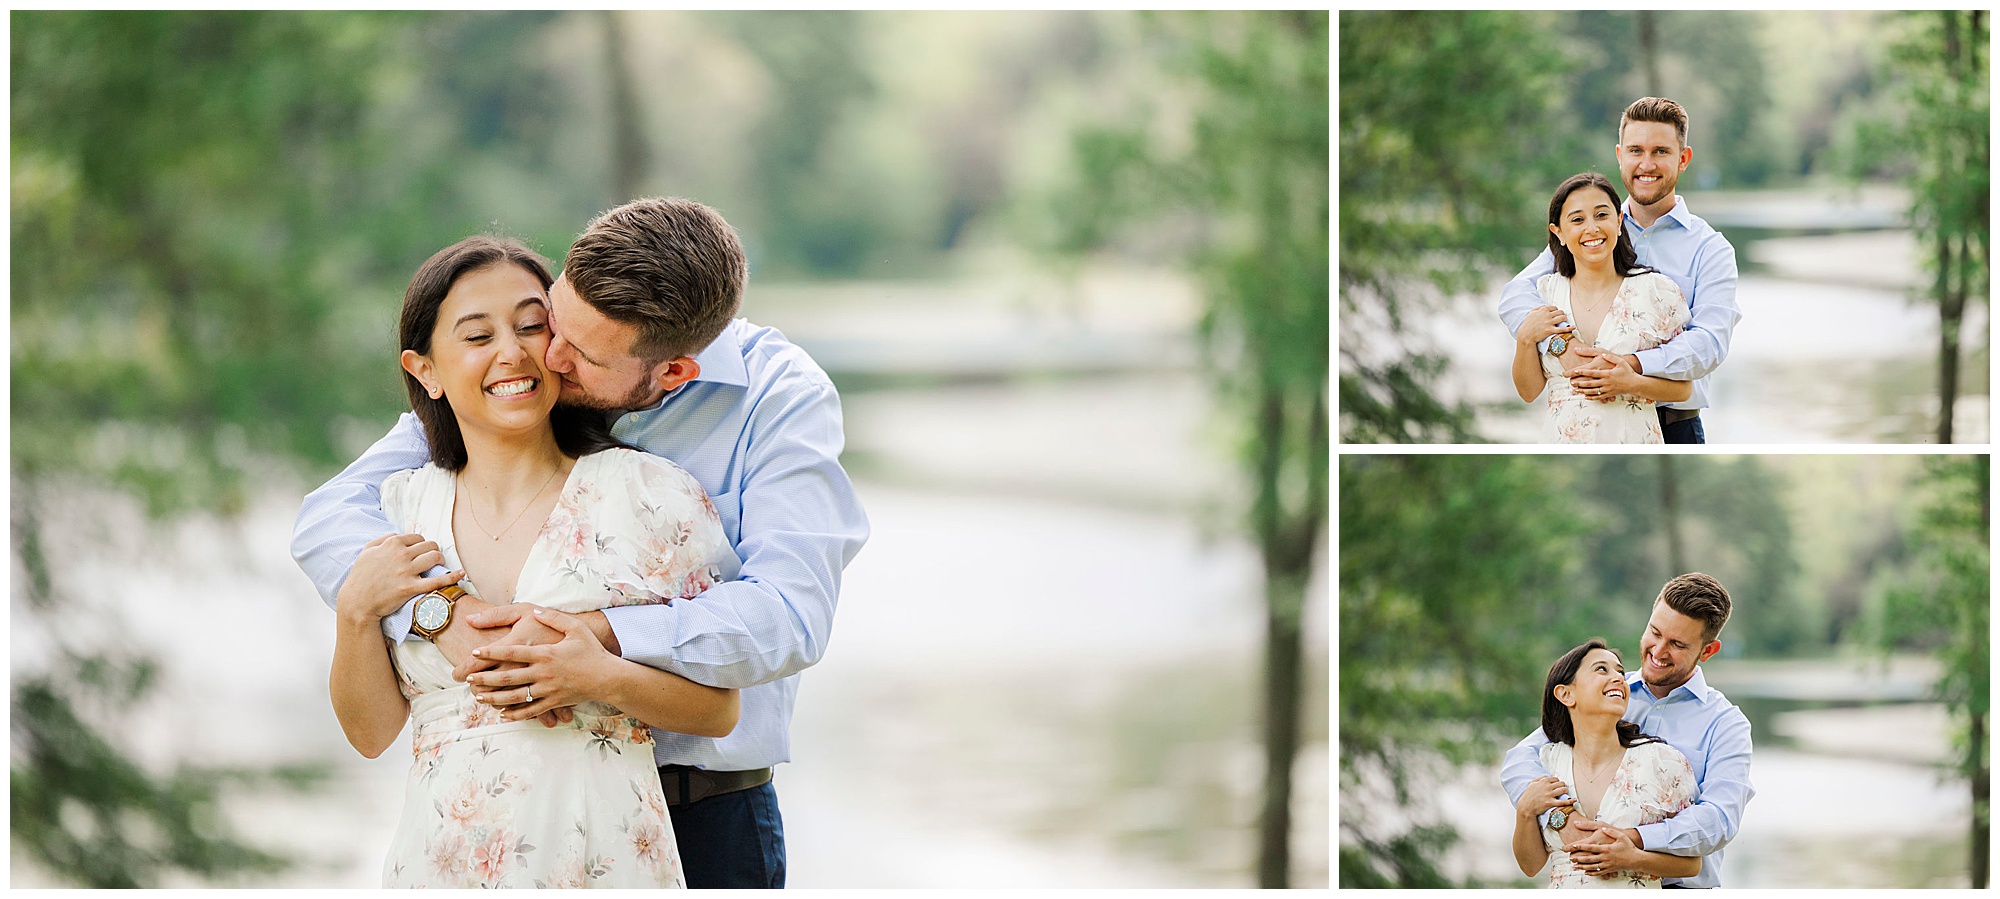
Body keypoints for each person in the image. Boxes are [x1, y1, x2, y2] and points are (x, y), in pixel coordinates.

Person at [295, 198, 870, 888]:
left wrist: (592, 638)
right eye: (553, 320)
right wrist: (433, 611)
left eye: (578, 351)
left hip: (699, 813)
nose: (546, 356)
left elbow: (789, 617)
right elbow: (331, 519)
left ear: (672, 373)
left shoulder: (774, 402)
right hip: (477, 830)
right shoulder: (507, 393)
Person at [330, 235, 742, 887]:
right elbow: (371, 733)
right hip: (444, 865)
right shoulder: (400, 510)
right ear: (425, 370)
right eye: (476, 336)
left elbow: (719, 709)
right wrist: (354, 610)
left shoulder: (648, 496)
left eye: (531, 326)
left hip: (605, 861)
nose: (513, 352)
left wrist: (597, 675)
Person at [1498, 97, 1742, 444]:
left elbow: (1709, 345)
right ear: (1619, 156)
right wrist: (1559, 345)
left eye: (1660, 151)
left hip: (1673, 427)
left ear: (1683, 159)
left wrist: (1629, 366)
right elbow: (1515, 295)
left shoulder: (1710, 249)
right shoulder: (1591, 231)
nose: (1646, 164)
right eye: (1636, 151)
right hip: (1583, 422)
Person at [1501, 573, 1756, 888]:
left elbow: (1719, 819)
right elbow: (1520, 760)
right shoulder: (1605, 695)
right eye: (1655, 632)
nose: (1658, 651)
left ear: (1707, 651)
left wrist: (1631, 841)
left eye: (1677, 644)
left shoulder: (1726, 724)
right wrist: (1563, 818)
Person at [1512, 172, 1691, 443]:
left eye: (1601, 215)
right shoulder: (1545, 293)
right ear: (1558, 232)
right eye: (1577, 220)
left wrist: (1631, 383)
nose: (1592, 228)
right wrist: (1525, 338)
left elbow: (1684, 389)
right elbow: (1528, 392)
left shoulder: (1657, 291)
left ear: (1619, 222)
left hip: (1633, 439)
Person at [1512, 639, 1699, 888]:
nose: (1619, 678)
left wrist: (1633, 858)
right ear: (1565, 694)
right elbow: (1530, 866)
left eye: (1620, 672)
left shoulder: (1664, 762)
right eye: (1602, 669)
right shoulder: (1546, 762)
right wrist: (1525, 811)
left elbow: (1693, 864)